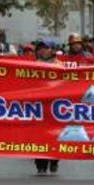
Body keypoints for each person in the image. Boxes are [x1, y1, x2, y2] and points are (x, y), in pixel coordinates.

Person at [33, 39, 61, 175]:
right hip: (38, 106)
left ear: (53, 50)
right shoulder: (32, 66)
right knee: (38, 135)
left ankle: (55, 159)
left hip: (56, 106)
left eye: (46, 48)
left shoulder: (60, 66)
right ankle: (41, 165)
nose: (43, 50)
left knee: (55, 134)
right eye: (41, 48)